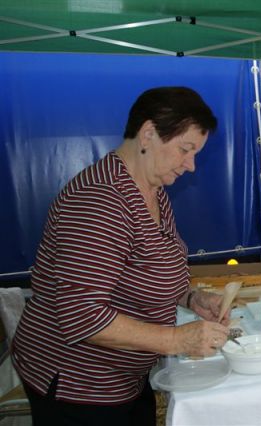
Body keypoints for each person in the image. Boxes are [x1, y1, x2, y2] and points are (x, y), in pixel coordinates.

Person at [11, 87, 229, 426]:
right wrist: (176, 339)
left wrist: (190, 296)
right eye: (185, 150)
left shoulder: (152, 189)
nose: (191, 166)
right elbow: (82, 315)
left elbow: (147, 268)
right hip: (78, 384)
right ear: (148, 133)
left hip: (123, 376)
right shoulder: (99, 200)